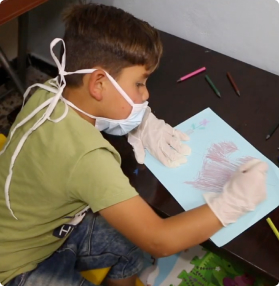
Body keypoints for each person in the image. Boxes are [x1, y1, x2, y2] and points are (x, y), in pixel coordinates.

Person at [0, 3, 268, 286]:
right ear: (99, 83)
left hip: (39, 228)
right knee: (140, 239)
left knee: (127, 246)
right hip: (14, 266)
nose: (146, 94)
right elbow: (159, 240)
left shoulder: (47, 91)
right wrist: (231, 203)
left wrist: (142, 122)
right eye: (140, 83)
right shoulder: (89, 160)